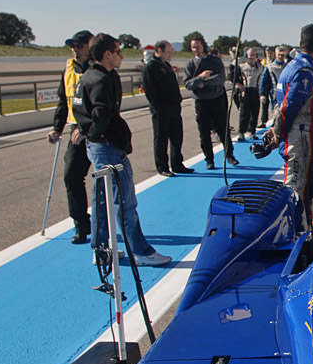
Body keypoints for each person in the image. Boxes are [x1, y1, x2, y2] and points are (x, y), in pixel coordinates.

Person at [74, 34, 171, 267]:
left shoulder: (91, 75)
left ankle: (100, 250)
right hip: (106, 147)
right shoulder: (101, 80)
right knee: (125, 201)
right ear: (107, 53)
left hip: (98, 146)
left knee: (101, 201)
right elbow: (100, 113)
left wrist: (89, 133)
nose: (122, 56)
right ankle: (140, 251)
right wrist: (97, 134)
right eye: (118, 51)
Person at [260, 24, 313, 226]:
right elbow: (289, 107)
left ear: (299, 44)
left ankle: (299, 230)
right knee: (297, 191)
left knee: (302, 189)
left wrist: (275, 130)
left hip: (296, 135)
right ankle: (297, 235)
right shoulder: (305, 71)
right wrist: (277, 134)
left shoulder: (291, 67)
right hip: (300, 138)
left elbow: (281, 106)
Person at [48, 30, 94, 244]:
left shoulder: (99, 67)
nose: (75, 49)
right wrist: (57, 128)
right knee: (71, 176)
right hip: (75, 129)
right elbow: (62, 100)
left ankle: (109, 222)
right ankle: (81, 225)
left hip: (97, 129)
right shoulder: (68, 68)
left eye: (80, 45)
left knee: (107, 180)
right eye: (73, 46)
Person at [183, 36, 237, 170]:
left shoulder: (215, 61)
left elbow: (220, 79)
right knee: (204, 133)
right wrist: (200, 77)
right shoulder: (190, 65)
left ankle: (229, 155)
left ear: (203, 46)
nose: (196, 49)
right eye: (194, 47)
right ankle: (209, 160)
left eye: (198, 46)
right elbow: (187, 84)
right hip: (201, 102)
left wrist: (204, 82)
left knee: (223, 129)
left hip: (217, 100)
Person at [142, 40, 193, 177]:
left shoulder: (167, 65)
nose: (170, 55)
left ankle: (177, 164)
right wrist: (158, 107)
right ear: (159, 51)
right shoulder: (151, 67)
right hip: (161, 109)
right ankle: (162, 166)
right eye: (168, 52)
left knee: (177, 137)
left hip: (174, 108)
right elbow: (149, 90)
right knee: (161, 138)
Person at [235, 47, 265, 142]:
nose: (252, 57)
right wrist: (238, 85)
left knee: (255, 112)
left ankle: (252, 132)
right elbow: (233, 77)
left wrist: (262, 93)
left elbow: (263, 80)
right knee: (244, 113)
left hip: (255, 91)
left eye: (253, 55)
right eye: (250, 55)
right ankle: (241, 132)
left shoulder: (260, 67)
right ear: (246, 56)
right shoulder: (241, 67)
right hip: (245, 91)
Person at [259, 44, 289, 126]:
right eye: (279, 55)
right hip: (274, 94)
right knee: (276, 114)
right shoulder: (270, 67)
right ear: (275, 55)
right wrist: (262, 94)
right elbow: (263, 81)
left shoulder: (288, 67)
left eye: (282, 55)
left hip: (287, 94)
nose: (280, 57)